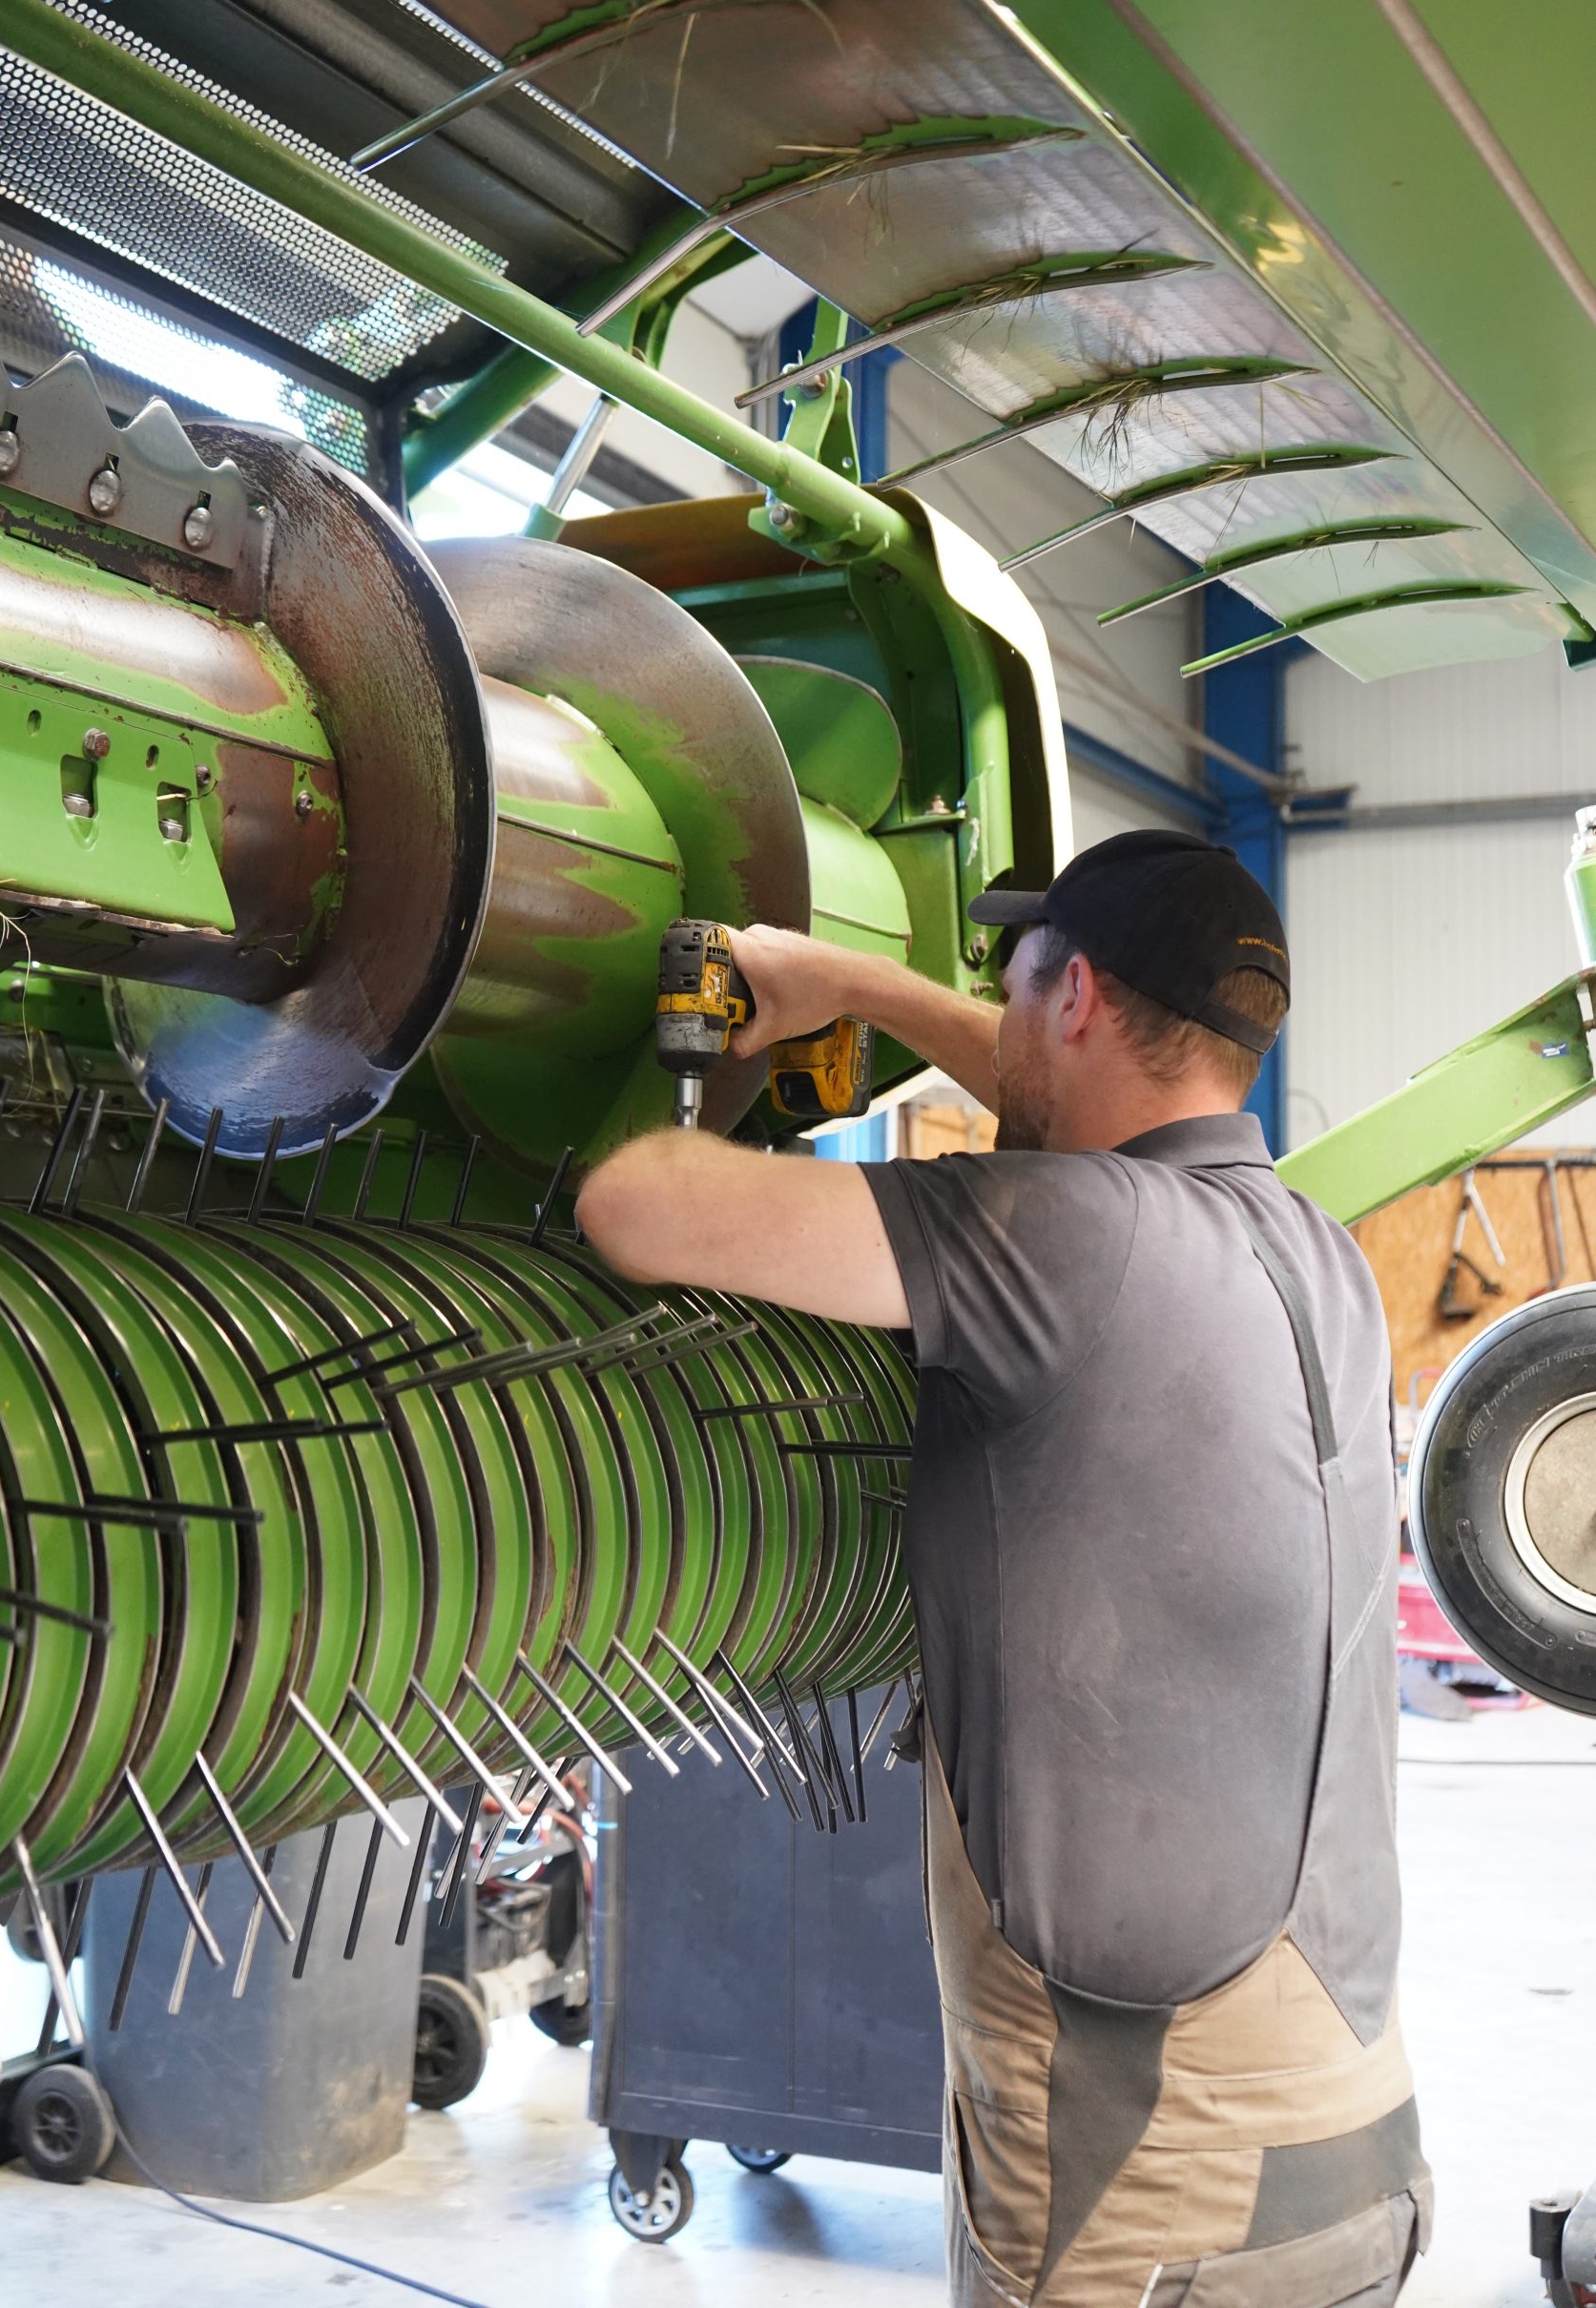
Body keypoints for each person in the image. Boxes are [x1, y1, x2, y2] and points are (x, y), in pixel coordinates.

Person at [576, 828, 1429, 2308]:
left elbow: (634, 1205)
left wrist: (696, 1060)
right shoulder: (1317, 1252)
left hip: (1150, 2192)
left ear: (1080, 995)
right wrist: (848, 986)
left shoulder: (1052, 1241)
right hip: (1354, 2148)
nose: (998, 1012)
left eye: (1014, 981)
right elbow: (1086, 1103)